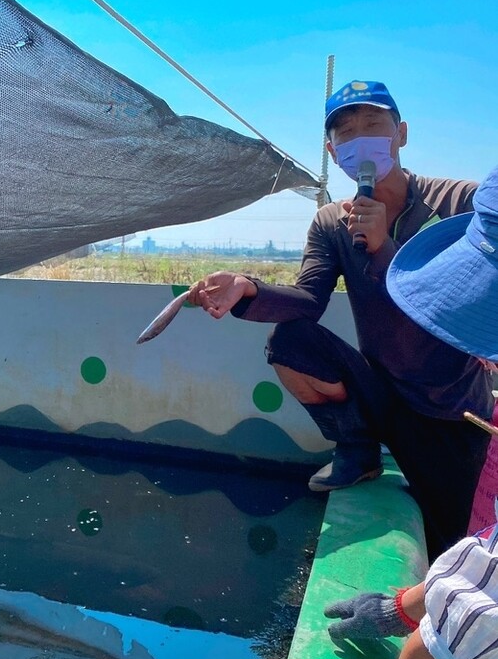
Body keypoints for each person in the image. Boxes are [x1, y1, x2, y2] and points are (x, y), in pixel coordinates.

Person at [188, 80, 493, 559]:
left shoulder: (460, 202)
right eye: (346, 132)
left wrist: (386, 249)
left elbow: (462, 292)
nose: (360, 139)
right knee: (290, 342)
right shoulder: (332, 222)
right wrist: (248, 287)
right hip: (382, 391)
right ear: (332, 151)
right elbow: (308, 300)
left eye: (373, 124)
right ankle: (356, 445)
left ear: (401, 133)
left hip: (451, 404)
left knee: (448, 539)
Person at [324, 163, 498, 659]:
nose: (484, 358)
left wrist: (427, 639)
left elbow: (475, 624)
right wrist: (405, 606)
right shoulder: (330, 225)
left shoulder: (446, 197)